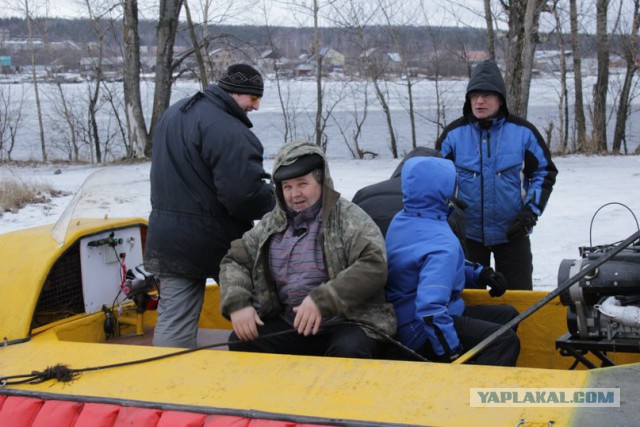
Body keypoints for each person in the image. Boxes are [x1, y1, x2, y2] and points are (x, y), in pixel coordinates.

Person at [219, 140, 396, 359]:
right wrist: (238, 303)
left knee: (349, 351)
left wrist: (323, 300)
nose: (295, 194)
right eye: (287, 187)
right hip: (292, 324)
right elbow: (235, 261)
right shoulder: (270, 225)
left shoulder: (351, 219)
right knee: (242, 341)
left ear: (322, 182)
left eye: (302, 184)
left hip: (350, 323)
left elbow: (373, 265)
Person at [144, 63, 275, 348]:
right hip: (216, 240)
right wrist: (277, 200)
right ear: (237, 93)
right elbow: (244, 196)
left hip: (167, 236)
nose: (255, 107)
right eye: (253, 99)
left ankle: (166, 383)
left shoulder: (175, 113)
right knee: (257, 306)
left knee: (175, 318)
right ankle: (265, 371)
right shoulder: (228, 129)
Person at [385, 156, 520, 366]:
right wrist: (453, 353)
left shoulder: (406, 218)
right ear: (441, 191)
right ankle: (474, 393)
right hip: (420, 332)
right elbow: (430, 311)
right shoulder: (441, 241)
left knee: (509, 315)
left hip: (412, 316)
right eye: (454, 184)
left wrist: (480, 273)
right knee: (503, 341)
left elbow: (430, 264)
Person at [436, 60, 558, 291]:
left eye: (486, 95)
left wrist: (529, 213)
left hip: (513, 233)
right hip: (467, 236)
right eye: (474, 96)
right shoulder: (453, 135)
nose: (479, 101)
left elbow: (544, 172)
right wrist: (449, 208)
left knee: (518, 302)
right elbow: (434, 178)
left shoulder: (524, 132)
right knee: (468, 301)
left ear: (500, 99)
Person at [352, 146, 507, 298]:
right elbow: (451, 261)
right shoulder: (442, 209)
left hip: (365, 284)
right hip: (419, 302)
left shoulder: (365, 193)